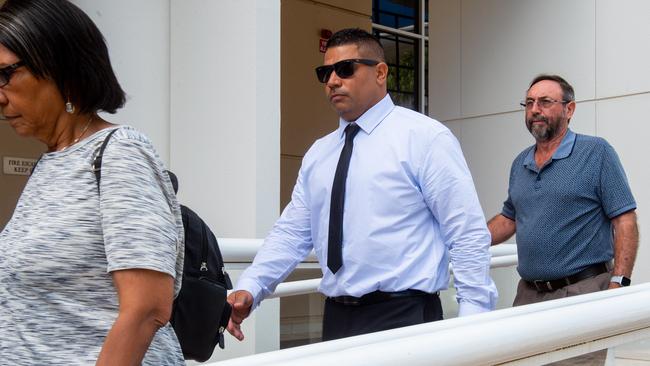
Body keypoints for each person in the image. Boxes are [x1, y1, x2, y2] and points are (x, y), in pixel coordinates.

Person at [227, 28, 497, 342]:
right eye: (325, 72)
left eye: (345, 69)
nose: (332, 81)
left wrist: (474, 320)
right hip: (337, 318)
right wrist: (251, 286)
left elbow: (465, 231)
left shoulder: (424, 138)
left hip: (406, 317)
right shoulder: (319, 154)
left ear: (380, 72)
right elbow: (292, 232)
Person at [0, 0, 185, 364]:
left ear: (62, 69)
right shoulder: (51, 162)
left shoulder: (120, 153)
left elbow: (147, 308)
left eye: (5, 74)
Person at [488, 74, 638, 363]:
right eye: (529, 103)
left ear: (569, 110)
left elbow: (625, 220)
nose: (535, 110)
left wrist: (619, 284)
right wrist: (462, 241)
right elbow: (510, 218)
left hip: (582, 293)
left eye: (545, 102)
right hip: (528, 296)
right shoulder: (520, 162)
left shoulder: (597, 152)